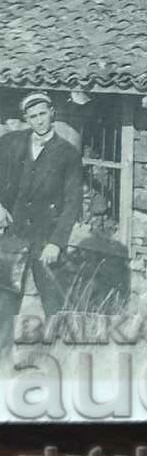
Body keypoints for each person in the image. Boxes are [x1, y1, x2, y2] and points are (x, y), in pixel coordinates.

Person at [0, 92, 83, 320]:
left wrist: (57, 243)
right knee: (5, 300)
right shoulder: (10, 143)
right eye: (33, 116)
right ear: (26, 118)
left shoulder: (68, 154)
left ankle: (55, 351)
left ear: (52, 113)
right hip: (13, 234)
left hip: (47, 237)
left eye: (43, 114)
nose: (39, 121)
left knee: (53, 301)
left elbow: (73, 202)